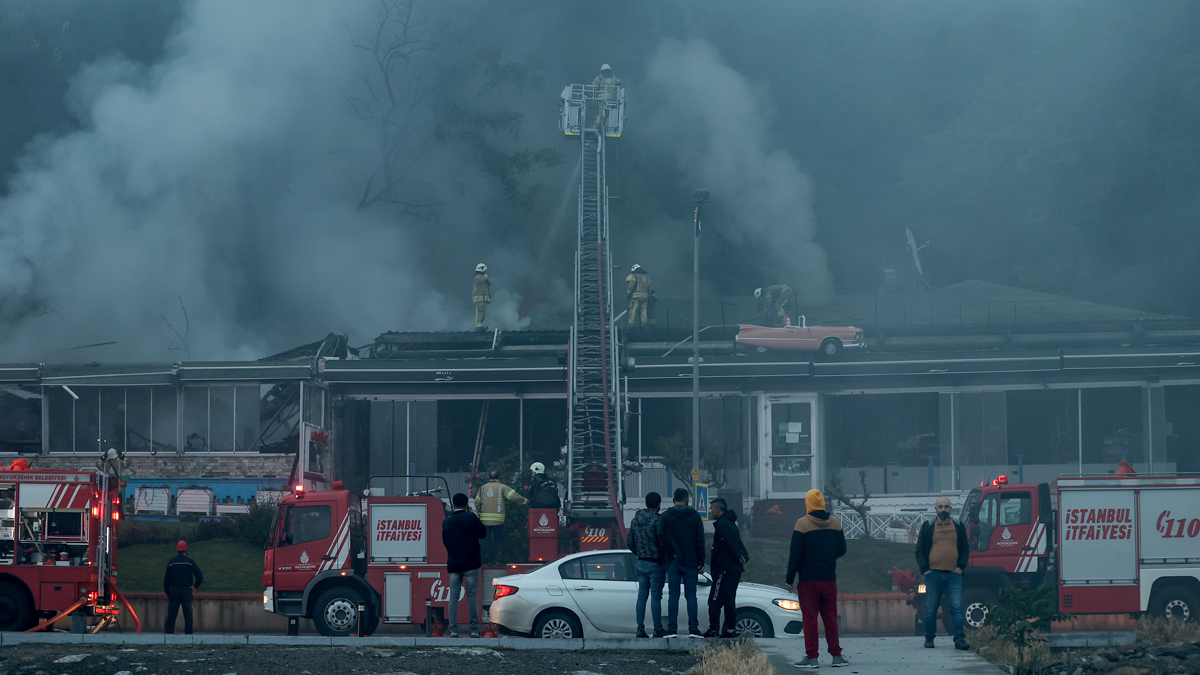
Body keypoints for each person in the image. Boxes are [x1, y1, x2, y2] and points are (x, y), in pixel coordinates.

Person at [785, 489, 849, 669]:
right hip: (829, 578)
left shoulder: (802, 524)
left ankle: (812, 658)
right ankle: (837, 656)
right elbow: (842, 549)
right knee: (830, 617)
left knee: (810, 618)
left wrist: (789, 578)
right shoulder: (835, 523)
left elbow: (795, 554)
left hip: (808, 581)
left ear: (808, 503)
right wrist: (827, 557)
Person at [916, 496, 970, 650]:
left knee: (956, 608)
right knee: (930, 609)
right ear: (936, 509)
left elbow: (965, 549)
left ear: (951, 509)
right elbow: (919, 550)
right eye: (940, 507)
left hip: (954, 575)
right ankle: (929, 638)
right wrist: (925, 569)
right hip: (933, 576)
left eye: (946, 507)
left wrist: (960, 567)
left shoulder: (959, 526)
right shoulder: (928, 526)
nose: (943, 510)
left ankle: (959, 639)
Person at [657, 487, 705, 638]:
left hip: (673, 562)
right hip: (691, 562)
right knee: (691, 596)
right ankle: (693, 630)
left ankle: (672, 630)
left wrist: (672, 551)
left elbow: (660, 535)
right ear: (687, 500)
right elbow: (700, 540)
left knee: (673, 596)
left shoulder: (666, 516)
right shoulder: (695, 516)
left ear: (673, 500)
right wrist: (701, 561)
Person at [442, 492, 487, 638]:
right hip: (471, 563)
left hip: (454, 563)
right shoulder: (471, 518)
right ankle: (474, 630)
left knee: (453, 596)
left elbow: (446, 542)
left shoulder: (447, 522)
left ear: (453, 505)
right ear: (467, 504)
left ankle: (453, 630)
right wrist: (473, 514)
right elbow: (483, 533)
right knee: (472, 596)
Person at [705, 497, 749, 638]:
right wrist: (743, 556)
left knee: (714, 600)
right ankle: (730, 629)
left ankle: (713, 630)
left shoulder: (723, 524)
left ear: (718, 509)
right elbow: (738, 543)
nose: (710, 512)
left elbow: (729, 543)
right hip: (734, 569)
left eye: (712, 509)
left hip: (724, 569)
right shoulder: (731, 524)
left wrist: (737, 555)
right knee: (729, 599)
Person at [628, 491, 665, 638]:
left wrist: (640, 553)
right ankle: (657, 629)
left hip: (641, 562)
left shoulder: (635, 520)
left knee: (642, 596)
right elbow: (662, 540)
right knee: (656, 597)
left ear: (645, 503)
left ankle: (640, 629)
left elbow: (630, 541)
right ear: (659, 504)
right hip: (655, 562)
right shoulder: (658, 520)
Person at [474, 470, 528, 564]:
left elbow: (477, 502)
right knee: (498, 540)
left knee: (487, 541)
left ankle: (488, 560)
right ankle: (498, 559)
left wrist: (479, 514)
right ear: (499, 477)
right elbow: (514, 497)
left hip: (485, 521)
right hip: (498, 521)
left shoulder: (482, 488)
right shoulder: (502, 487)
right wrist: (526, 501)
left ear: (489, 478)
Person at [163, 540, 203, 635]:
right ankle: (188, 637)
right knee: (188, 616)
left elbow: (166, 582)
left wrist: (168, 593)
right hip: (186, 591)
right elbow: (200, 576)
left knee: (171, 617)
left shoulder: (171, 563)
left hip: (174, 591)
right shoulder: (190, 562)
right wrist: (195, 587)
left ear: (177, 550)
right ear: (186, 550)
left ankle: (169, 637)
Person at [591, 64, 623, 129]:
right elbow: (621, 83)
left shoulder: (599, 78)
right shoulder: (614, 78)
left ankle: (598, 124)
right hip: (611, 98)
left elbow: (593, 84)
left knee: (600, 110)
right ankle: (606, 125)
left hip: (601, 98)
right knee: (608, 111)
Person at [626, 264, 655, 329]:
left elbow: (631, 286)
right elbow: (650, 288)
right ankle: (643, 325)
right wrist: (649, 296)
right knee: (644, 311)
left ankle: (631, 325)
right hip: (645, 298)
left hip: (635, 297)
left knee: (633, 310)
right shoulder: (647, 277)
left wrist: (628, 294)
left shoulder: (635, 276)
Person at [473, 263, 492, 332]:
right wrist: (485, 276)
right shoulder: (477, 277)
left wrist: (486, 278)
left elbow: (489, 283)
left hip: (483, 300)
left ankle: (480, 326)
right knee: (480, 312)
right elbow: (480, 281)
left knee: (482, 313)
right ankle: (478, 327)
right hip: (479, 299)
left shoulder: (483, 278)